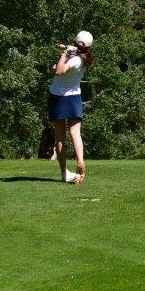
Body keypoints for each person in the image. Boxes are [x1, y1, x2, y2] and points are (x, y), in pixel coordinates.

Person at [49, 30, 94, 184]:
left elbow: (59, 70)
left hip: (59, 98)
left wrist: (64, 53)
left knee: (60, 136)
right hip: (74, 98)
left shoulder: (74, 59)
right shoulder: (83, 59)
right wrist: (66, 53)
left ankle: (64, 173)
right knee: (75, 133)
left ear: (77, 42)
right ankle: (80, 162)